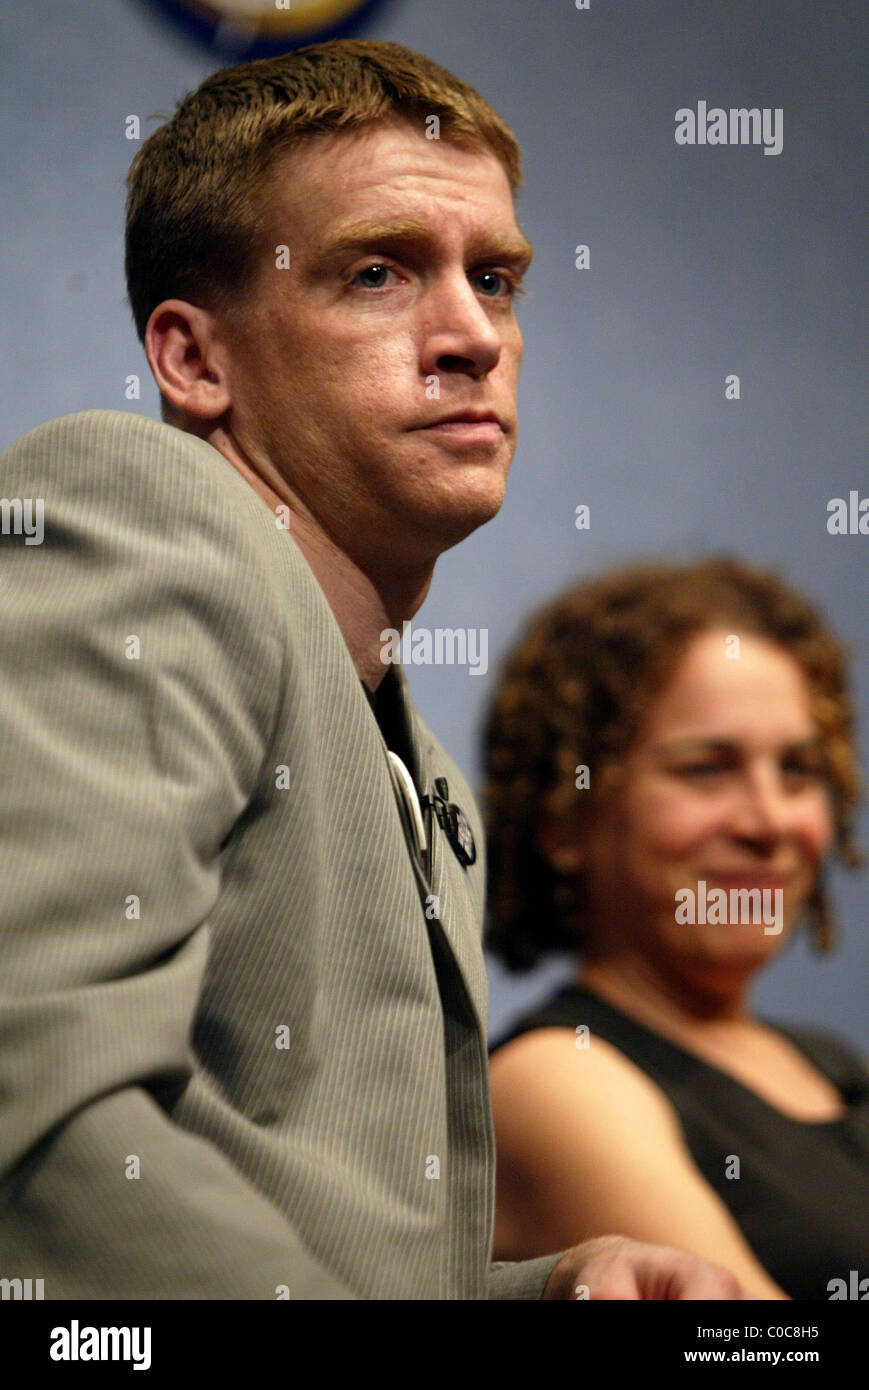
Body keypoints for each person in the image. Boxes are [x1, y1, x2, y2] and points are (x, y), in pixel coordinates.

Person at [0, 41, 744, 1301]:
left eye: (496, 279)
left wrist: (549, 1290)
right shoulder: (135, 510)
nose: (470, 335)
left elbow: (303, 1217)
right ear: (192, 360)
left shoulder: (421, 771)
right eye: (378, 272)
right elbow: (35, 1106)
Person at [484, 556, 869, 1301]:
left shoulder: (832, 1065)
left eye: (796, 770)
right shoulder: (556, 1081)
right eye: (705, 769)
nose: (768, 822)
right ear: (566, 818)